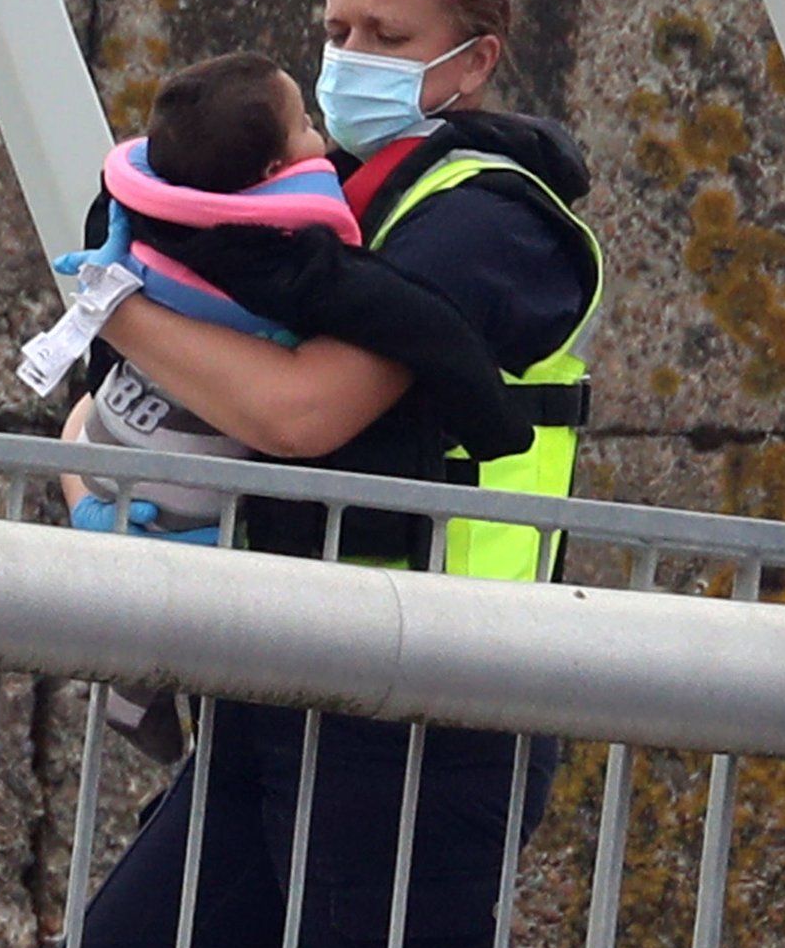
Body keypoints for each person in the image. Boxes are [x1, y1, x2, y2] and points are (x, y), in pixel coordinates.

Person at [65, 0, 604, 948]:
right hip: (284, 664)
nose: (346, 59)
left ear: (471, 60)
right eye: (336, 32)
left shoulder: (491, 217)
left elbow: (298, 410)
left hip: (436, 699)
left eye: (386, 38)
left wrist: (113, 302)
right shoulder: (318, 201)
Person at [45, 50, 534, 763]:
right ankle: (137, 678)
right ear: (275, 172)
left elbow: (106, 368)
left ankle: (134, 674)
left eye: (382, 34)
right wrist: (493, 418)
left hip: (122, 436)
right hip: (206, 490)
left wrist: (109, 308)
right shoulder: (285, 256)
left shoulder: (136, 216)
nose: (320, 138)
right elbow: (405, 326)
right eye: (305, 125)